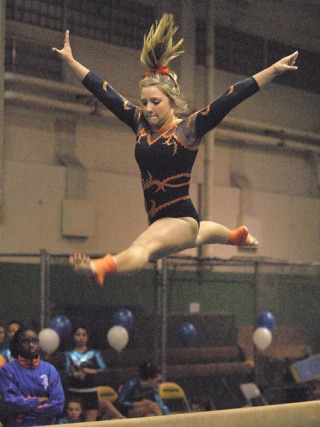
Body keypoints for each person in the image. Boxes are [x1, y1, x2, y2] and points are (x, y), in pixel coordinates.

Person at [52, 14, 298, 286]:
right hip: (165, 220)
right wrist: (72, 63)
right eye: (144, 102)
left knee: (143, 247)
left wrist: (273, 71)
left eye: (155, 102)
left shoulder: (188, 128)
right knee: (204, 233)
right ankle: (235, 236)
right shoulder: (140, 124)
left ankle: (102, 266)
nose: (148, 108)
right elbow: (106, 92)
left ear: (172, 100)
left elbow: (230, 97)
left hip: (180, 218)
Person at [0, 327, 64, 426]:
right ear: (18, 345)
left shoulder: (50, 370)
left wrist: (26, 411)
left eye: (34, 341)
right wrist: (38, 400)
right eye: (25, 342)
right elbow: (10, 402)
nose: (31, 345)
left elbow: (58, 405)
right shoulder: (7, 370)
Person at [64, 324, 107, 422]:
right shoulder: (69, 354)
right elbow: (67, 371)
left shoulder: (94, 353)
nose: (81, 338)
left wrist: (91, 371)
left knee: (90, 424)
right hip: (74, 393)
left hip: (90, 393)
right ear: (74, 337)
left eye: (84, 335)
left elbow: (104, 370)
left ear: (87, 337)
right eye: (78, 335)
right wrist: (75, 374)